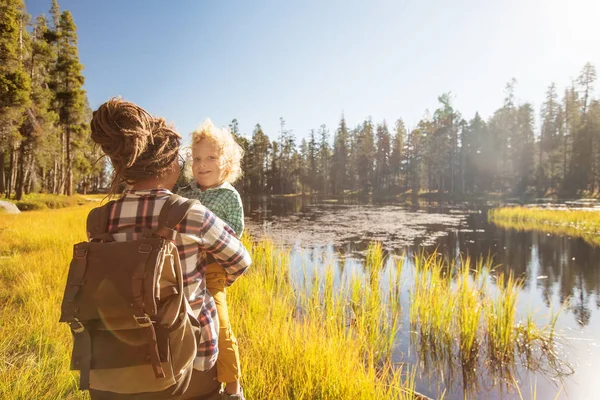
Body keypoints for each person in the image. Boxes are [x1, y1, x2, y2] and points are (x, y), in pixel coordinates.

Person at [88, 98, 251, 399]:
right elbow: (241, 260)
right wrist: (209, 276)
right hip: (188, 366)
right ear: (165, 164)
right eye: (180, 158)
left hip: (115, 364)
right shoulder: (190, 212)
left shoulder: (99, 219)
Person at [177, 120, 245, 399]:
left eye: (211, 157)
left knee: (220, 324)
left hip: (212, 272)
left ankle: (232, 387)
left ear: (226, 164)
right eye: (196, 158)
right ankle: (185, 379)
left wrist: (204, 236)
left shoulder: (229, 197)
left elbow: (233, 237)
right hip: (181, 269)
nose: (202, 164)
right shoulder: (184, 192)